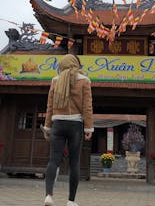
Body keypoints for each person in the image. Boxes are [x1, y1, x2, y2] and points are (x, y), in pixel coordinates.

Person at [42, 54, 94, 206]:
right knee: (74, 163)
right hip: (75, 125)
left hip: (57, 124)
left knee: (53, 161)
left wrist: (47, 127)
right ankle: (71, 201)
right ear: (76, 64)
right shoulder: (84, 81)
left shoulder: (55, 80)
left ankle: (49, 196)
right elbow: (87, 107)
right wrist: (89, 127)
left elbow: (49, 107)